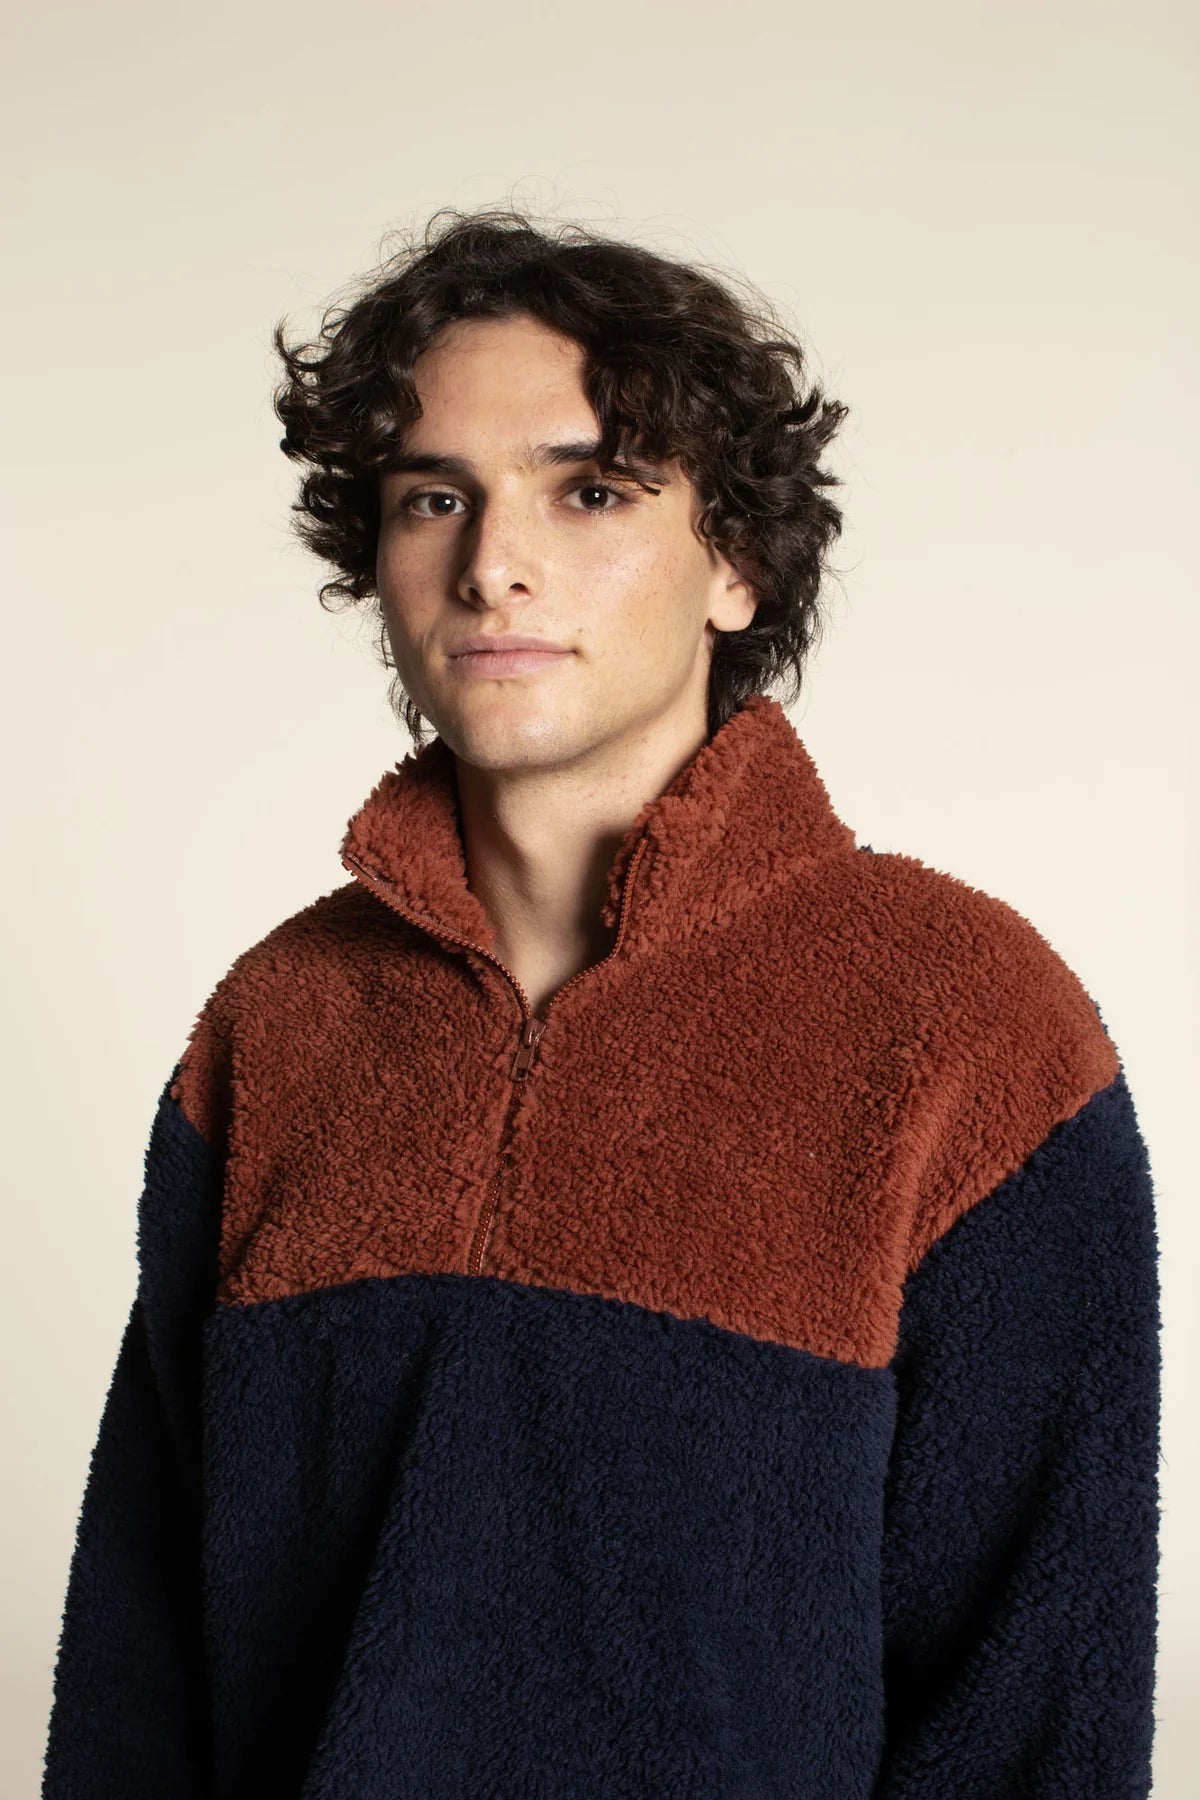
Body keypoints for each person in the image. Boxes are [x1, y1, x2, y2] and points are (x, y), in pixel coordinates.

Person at [42, 206, 1161, 1798]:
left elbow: (1033, 1711)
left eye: (591, 490)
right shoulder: (275, 1027)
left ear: (737, 563)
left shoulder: (969, 1030)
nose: (492, 563)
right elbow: (136, 1672)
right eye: (435, 497)